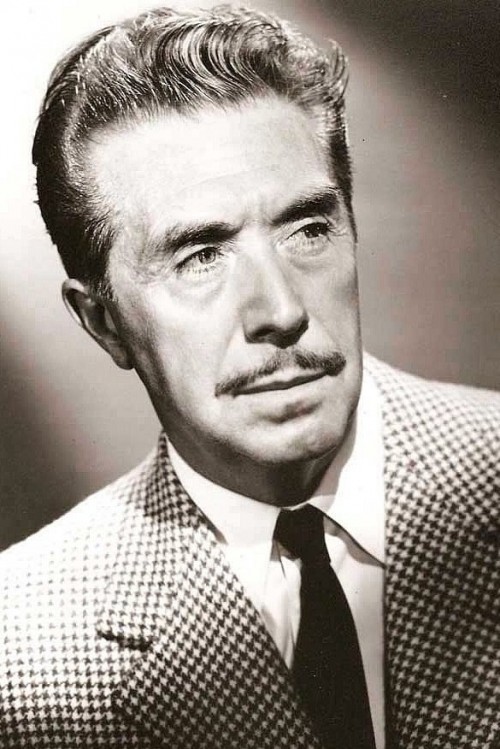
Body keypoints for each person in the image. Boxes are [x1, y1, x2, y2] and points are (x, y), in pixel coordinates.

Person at [0, 5, 498, 748]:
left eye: (308, 229)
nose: (283, 310)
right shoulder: (23, 654)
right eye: (201, 255)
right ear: (103, 323)